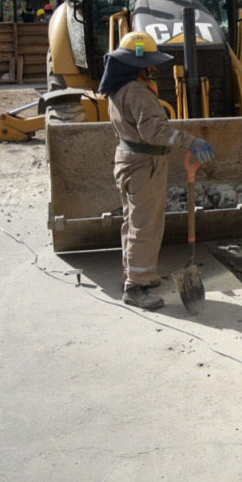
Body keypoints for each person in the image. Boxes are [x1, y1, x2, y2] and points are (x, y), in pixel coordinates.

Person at [99, 31, 217, 310]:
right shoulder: (137, 91)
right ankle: (135, 288)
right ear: (139, 64)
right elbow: (153, 130)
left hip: (129, 160)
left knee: (133, 221)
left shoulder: (118, 87)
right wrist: (190, 141)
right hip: (143, 165)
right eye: (150, 63)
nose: (154, 68)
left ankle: (137, 274)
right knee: (145, 226)